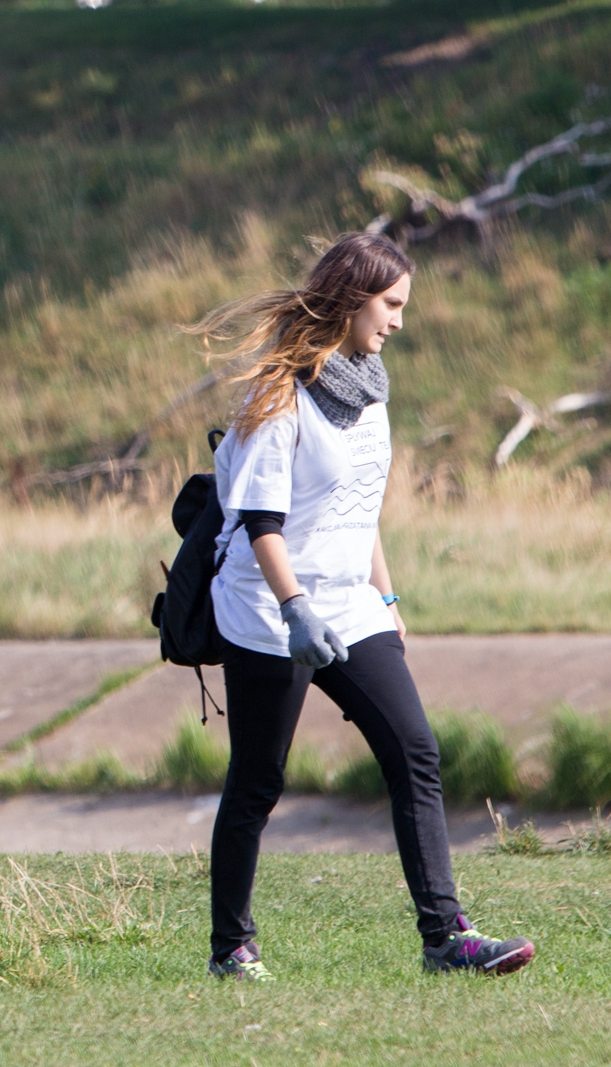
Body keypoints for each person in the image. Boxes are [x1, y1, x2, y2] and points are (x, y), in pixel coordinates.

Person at [194, 232, 536, 981]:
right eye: (391, 304)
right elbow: (259, 519)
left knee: (414, 750)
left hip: (351, 602)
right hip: (267, 608)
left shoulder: (370, 387)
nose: (400, 321)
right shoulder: (277, 394)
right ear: (352, 298)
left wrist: (385, 596)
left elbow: (361, 504)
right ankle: (231, 947)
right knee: (258, 778)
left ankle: (446, 936)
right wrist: (294, 611)